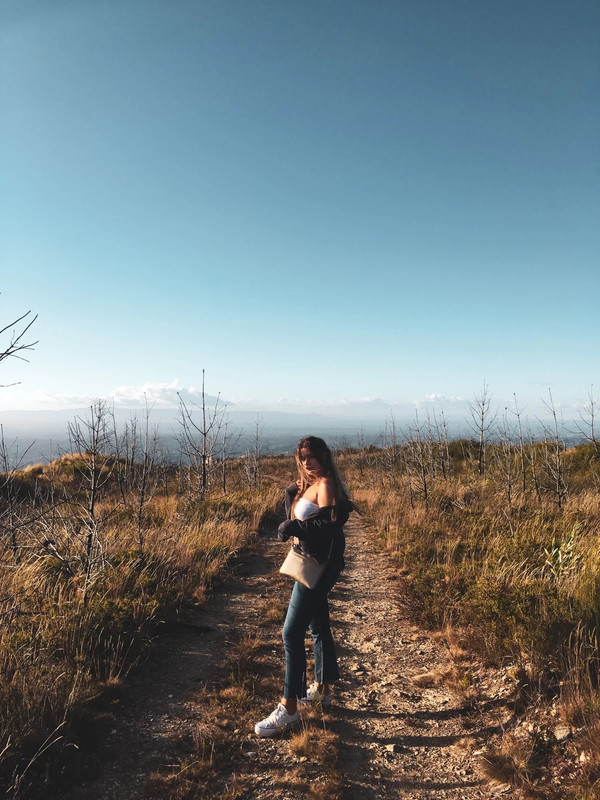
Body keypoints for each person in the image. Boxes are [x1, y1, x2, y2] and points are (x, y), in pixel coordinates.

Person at [254, 435, 354, 737]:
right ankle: (322, 689)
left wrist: (295, 526)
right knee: (318, 625)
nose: (306, 461)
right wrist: (291, 496)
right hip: (309, 561)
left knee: (290, 632)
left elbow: (328, 525)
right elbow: (301, 516)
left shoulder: (325, 485)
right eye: (301, 456)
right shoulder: (308, 483)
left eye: (311, 456)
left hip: (317, 565)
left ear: (324, 456)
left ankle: (289, 707)